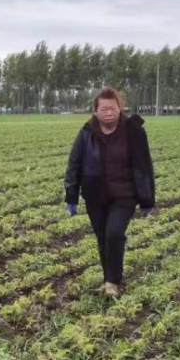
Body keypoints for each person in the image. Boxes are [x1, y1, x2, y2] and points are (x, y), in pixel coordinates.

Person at [65, 87, 155, 298]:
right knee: (102, 237)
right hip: (95, 195)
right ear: (95, 111)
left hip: (124, 195)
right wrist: (71, 195)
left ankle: (113, 281)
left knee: (114, 234)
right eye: (104, 109)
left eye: (112, 108)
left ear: (119, 108)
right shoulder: (87, 132)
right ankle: (109, 281)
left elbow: (144, 166)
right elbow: (74, 163)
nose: (108, 113)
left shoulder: (133, 130)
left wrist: (147, 199)